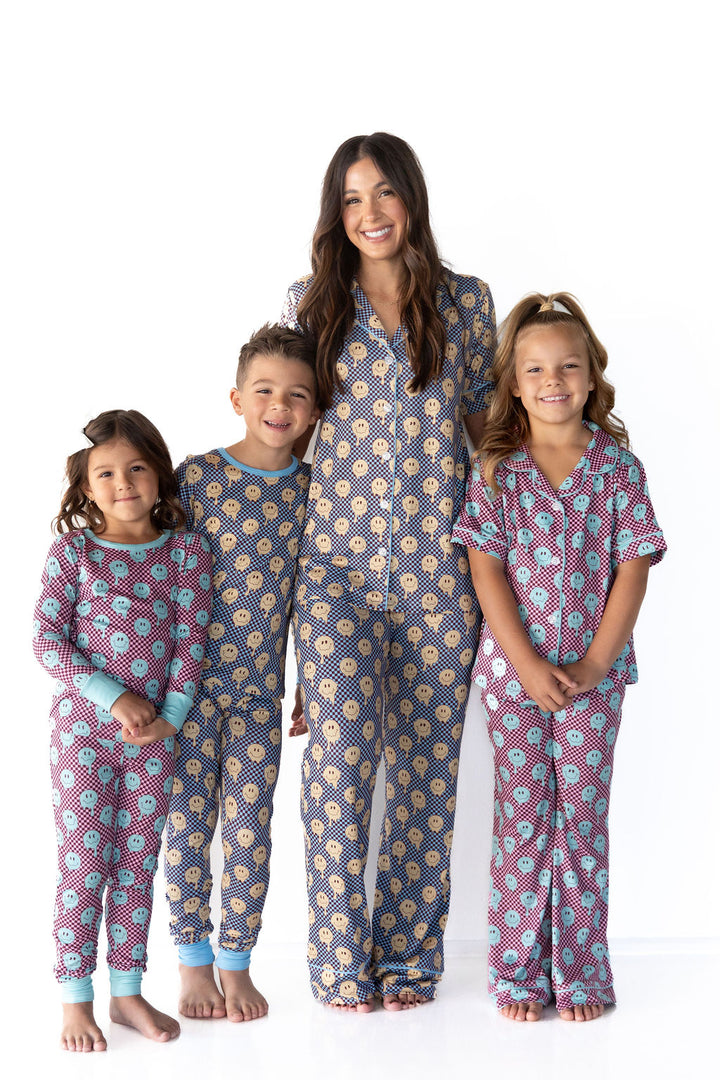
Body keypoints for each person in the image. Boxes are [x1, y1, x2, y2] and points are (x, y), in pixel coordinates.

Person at [281, 132, 495, 1011]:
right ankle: (338, 961)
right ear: (336, 214)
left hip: (441, 572)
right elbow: (287, 428)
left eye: (383, 193)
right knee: (338, 762)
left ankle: (408, 960)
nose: (369, 214)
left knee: (426, 774)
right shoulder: (311, 304)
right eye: (351, 199)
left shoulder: (467, 301)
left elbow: (485, 434)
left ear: (411, 197)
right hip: (333, 570)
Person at [452, 293, 666, 1022]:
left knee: (581, 821)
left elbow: (634, 567)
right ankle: (517, 974)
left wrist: (597, 664)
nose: (553, 381)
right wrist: (525, 664)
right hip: (513, 679)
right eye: (536, 369)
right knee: (522, 822)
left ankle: (579, 973)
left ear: (591, 375)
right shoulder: (498, 471)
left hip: (594, 682)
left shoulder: (618, 468)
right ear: (515, 384)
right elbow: (485, 569)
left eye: (569, 366)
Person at [33, 410, 212, 1051]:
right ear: (86, 487)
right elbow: (46, 641)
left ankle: (127, 991)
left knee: (137, 866)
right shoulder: (74, 553)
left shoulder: (186, 552)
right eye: (105, 473)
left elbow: (191, 642)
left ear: (160, 476)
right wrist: (114, 698)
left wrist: (169, 718)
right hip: (82, 739)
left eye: (137, 468)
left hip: (154, 743)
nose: (123, 482)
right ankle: (74, 1001)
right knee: (85, 866)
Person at [165, 324, 318, 1022]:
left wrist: (311, 682)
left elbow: (315, 598)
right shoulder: (197, 476)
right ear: (236, 398)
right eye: (264, 390)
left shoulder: (315, 492)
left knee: (250, 834)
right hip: (186, 693)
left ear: (315, 411)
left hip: (260, 697)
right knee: (188, 829)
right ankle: (192, 963)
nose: (278, 405)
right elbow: (158, 573)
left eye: (297, 395)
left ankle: (236, 964)